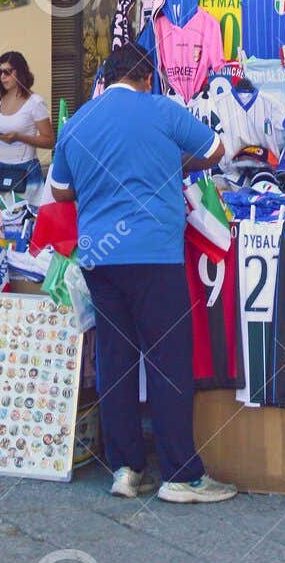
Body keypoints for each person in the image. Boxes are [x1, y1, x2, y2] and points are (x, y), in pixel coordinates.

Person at [48, 43, 237, 505]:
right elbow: (216, 148)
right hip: (154, 253)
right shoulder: (162, 109)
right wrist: (172, 164)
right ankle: (181, 476)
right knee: (169, 363)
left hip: (100, 261)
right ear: (147, 77)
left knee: (116, 361)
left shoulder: (79, 122)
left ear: (106, 77)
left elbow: (59, 189)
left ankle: (126, 470)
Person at [0, 52, 53, 200]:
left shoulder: (35, 102)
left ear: (20, 72)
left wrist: (20, 137)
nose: (3, 76)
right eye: (0, 72)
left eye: (8, 72)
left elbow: (50, 141)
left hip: (25, 170)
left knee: (25, 219)